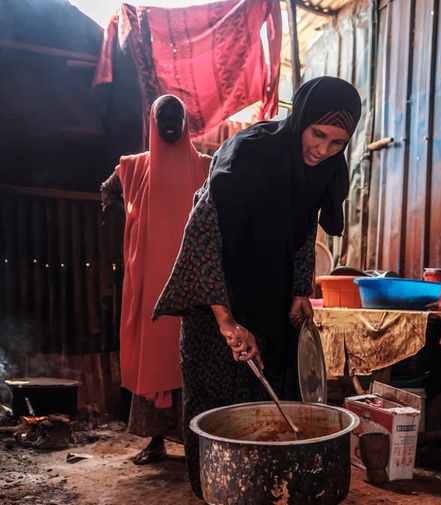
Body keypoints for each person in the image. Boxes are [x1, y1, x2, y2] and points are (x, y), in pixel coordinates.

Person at [152, 76, 362, 497]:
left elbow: (302, 234)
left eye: (337, 143)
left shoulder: (321, 171)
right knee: (219, 418)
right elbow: (202, 234)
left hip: (271, 304)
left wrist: (301, 290)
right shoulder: (249, 154)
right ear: (300, 118)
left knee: (271, 414)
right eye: (317, 134)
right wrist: (227, 322)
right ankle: (213, 493)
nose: (322, 150)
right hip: (218, 301)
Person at [101, 94, 211, 465]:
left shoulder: (207, 168)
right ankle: (156, 439)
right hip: (151, 281)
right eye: (161, 116)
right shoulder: (134, 169)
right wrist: (134, 224)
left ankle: (197, 441)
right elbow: (108, 191)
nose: (168, 123)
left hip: (192, 281)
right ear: (152, 121)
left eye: (174, 116)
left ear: (185, 122)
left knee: (192, 356)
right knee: (155, 354)